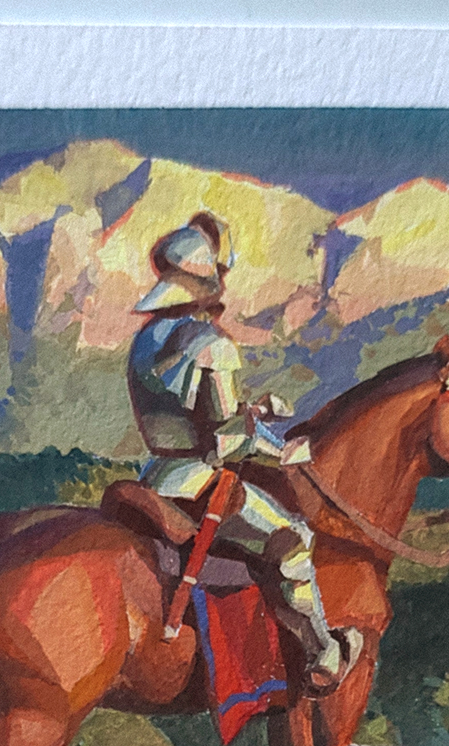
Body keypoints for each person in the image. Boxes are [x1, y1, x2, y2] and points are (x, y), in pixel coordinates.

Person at [127, 211, 361, 693]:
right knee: (293, 537)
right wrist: (285, 452)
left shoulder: (144, 341)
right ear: (206, 282)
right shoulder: (210, 344)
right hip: (199, 482)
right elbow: (227, 437)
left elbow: (187, 413)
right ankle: (321, 653)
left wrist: (253, 411)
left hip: (156, 475)